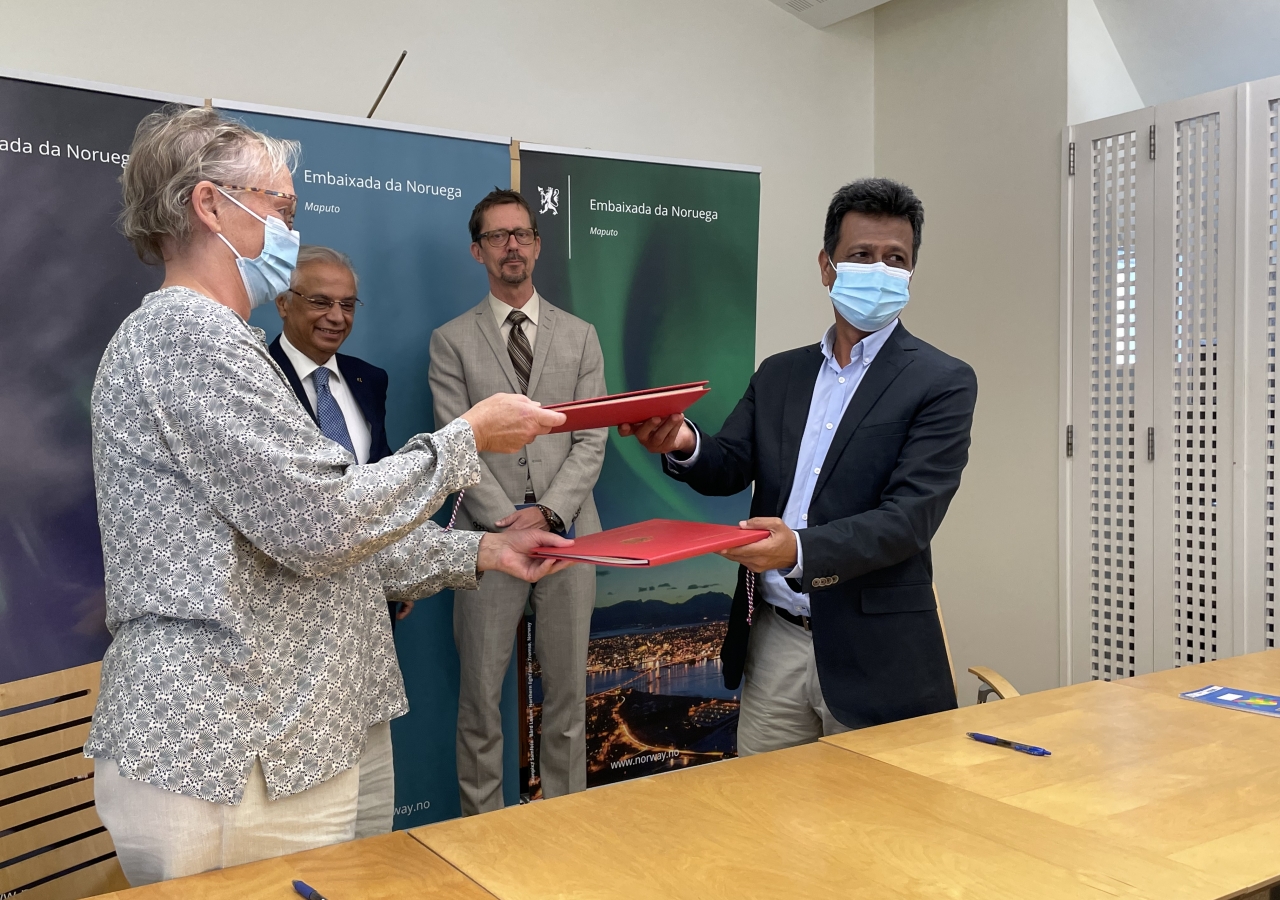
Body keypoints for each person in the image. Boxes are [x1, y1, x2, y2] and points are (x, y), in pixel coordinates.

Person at [87, 106, 574, 886]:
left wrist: (485, 548)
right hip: (226, 747)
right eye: (280, 207)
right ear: (210, 204)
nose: (290, 227)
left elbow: (317, 529)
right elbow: (325, 523)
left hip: (286, 734)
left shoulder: (222, 343)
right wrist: (467, 440)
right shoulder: (186, 337)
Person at [620, 178, 977, 753]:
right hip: (776, 641)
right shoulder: (780, 373)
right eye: (862, 255)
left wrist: (800, 550)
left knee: (870, 830)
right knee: (765, 824)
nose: (880, 270)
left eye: (896, 259)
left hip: (875, 650)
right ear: (827, 265)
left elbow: (909, 518)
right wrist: (681, 439)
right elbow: (731, 464)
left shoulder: (941, 381)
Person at [430, 188, 607, 815]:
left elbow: (591, 440)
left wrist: (549, 514)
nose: (513, 246)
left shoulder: (580, 337)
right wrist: (507, 522)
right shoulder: (451, 341)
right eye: (499, 236)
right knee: (480, 700)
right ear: (478, 250)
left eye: (523, 234)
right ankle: (483, 831)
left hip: (568, 538)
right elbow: (455, 444)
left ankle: (566, 827)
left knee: (565, 699)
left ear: (536, 243)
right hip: (486, 542)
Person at [269, 246, 412, 622]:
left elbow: (382, 477)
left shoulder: (370, 378)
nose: (336, 317)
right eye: (320, 302)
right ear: (283, 303)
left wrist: (406, 567)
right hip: (291, 608)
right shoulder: (259, 382)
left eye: (347, 305)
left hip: (372, 595)